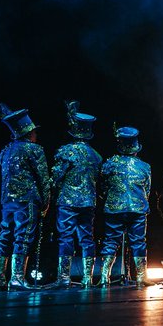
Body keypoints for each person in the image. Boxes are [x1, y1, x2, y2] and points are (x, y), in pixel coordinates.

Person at [0, 102, 49, 291]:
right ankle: (17, 278)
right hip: (27, 199)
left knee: (5, 234)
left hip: (7, 200)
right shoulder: (34, 150)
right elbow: (43, 178)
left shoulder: (6, 150)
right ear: (29, 133)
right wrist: (46, 201)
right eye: (34, 132)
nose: (36, 135)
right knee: (23, 235)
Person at [49, 100, 103, 288]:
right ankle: (88, 278)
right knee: (87, 237)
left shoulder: (66, 151)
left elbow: (57, 176)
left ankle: (64, 277)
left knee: (66, 236)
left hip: (68, 201)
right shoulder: (96, 155)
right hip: (88, 201)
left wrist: (51, 188)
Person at [98, 125, 151, 286]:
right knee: (138, 241)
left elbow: (103, 187)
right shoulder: (144, 166)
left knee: (111, 241)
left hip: (114, 208)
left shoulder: (109, 164)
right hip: (137, 208)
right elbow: (147, 189)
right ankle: (141, 277)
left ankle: (104, 277)